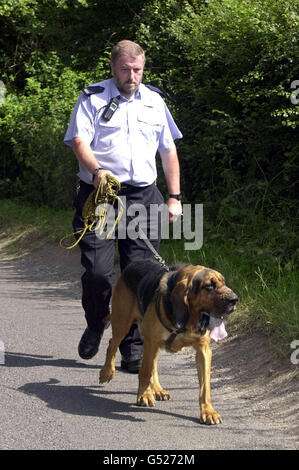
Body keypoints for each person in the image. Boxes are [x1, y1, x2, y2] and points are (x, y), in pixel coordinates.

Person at [64, 40, 183, 372]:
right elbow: (79, 141)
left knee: (141, 277)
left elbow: (168, 150)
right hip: (101, 195)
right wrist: (98, 171)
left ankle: (132, 347)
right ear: (113, 67)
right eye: (125, 70)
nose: (132, 76)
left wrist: (174, 197)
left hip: (145, 196)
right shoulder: (92, 98)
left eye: (138, 70)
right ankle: (96, 321)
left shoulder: (155, 101)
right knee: (99, 272)